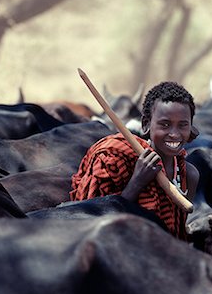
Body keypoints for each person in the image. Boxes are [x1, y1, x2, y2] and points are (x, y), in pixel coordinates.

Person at [69, 81, 200, 240]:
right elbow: (90, 221)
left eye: (182, 125)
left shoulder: (190, 175)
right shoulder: (114, 160)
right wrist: (137, 181)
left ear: (191, 127)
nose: (174, 134)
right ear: (146, 124)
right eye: (164, 124)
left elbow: (178, 236)